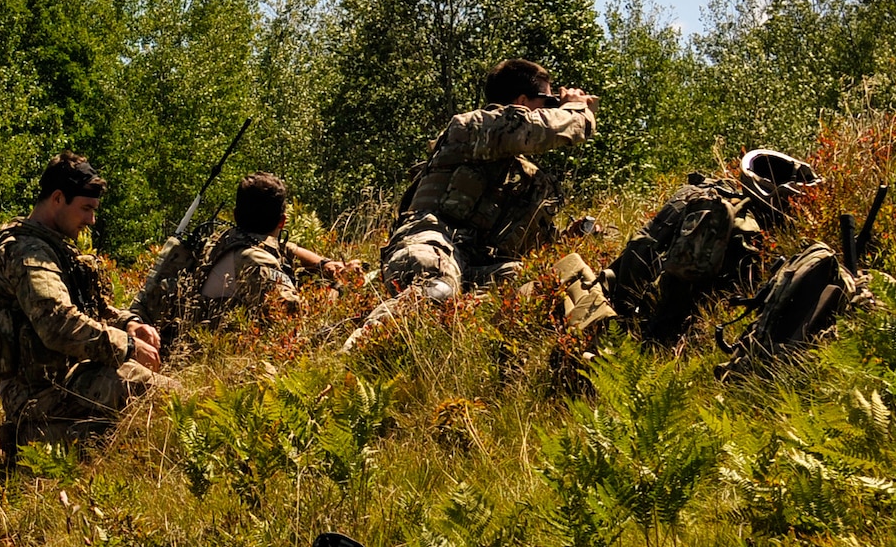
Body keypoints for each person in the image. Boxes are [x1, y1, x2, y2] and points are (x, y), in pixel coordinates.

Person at [350, 58, 596, 345]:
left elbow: (525, 245)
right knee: (436, 288)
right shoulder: (472, 128)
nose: (553, 108)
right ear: (522, 101)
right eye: (548, 100)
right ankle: (347, 363)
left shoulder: (523, 177)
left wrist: (570, 236)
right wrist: (577, 109)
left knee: (539, 284)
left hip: (474, 264)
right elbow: (537, 129)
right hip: (430, 241)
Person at [0, 152, 171, 463]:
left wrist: (128, 323)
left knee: (161, 400)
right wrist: (127, 346)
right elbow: (58, 324)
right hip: (42, 392)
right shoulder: (28, 253)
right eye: (85, 209)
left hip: (68, 376)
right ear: (57, 199)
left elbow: (89, 309)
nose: (91, 220)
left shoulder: (48, 244)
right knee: (162, 399)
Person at [603, 148, 820, 343]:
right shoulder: (748, 232)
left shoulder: (699, 193)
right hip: (682, 331)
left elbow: (641, 244)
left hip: (637, 307)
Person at [187, 173, 364, 328]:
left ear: (235, 215)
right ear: (282, 222)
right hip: (223, 348)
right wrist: (339, 287)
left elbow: (286, 248)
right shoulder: (258, 262)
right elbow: (296, 316)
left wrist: (325, 264)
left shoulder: (224, 239)